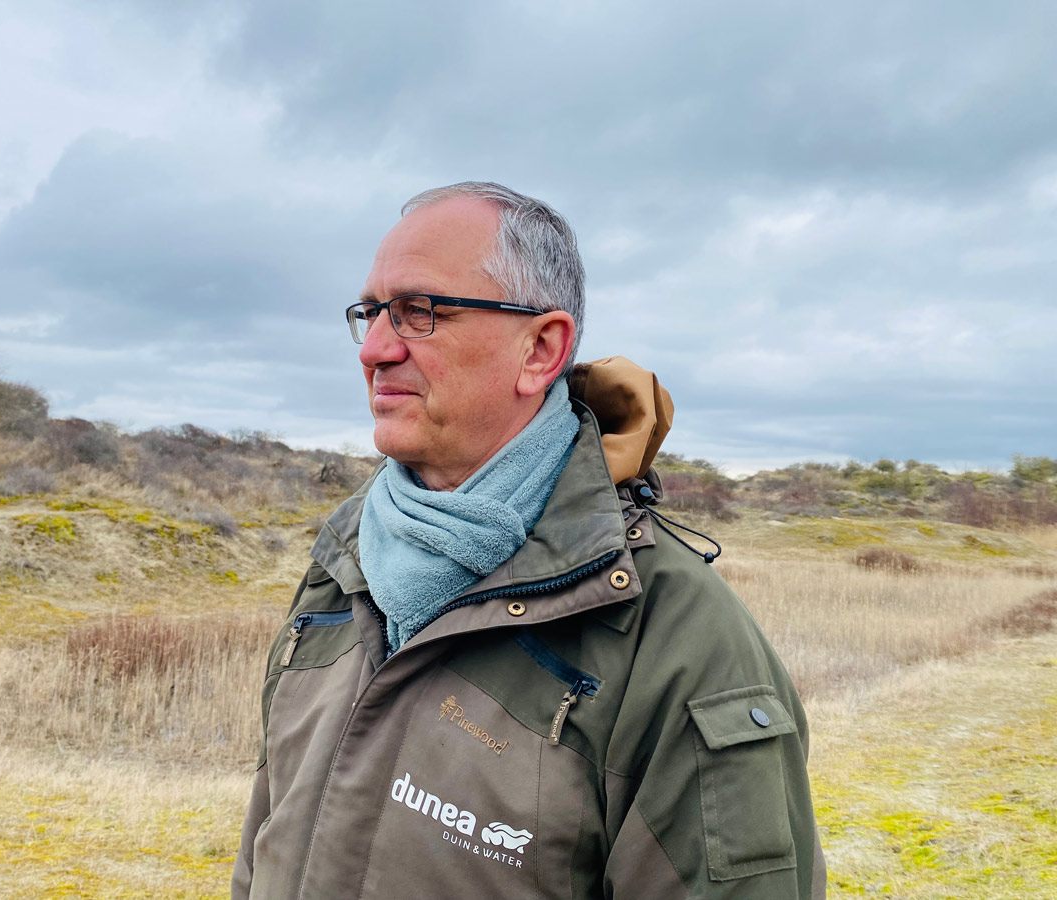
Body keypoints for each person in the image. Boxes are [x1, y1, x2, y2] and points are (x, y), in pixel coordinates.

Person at [231, 182, 826, 899]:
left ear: (541, 349)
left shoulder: (678, 641)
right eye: (371, 313)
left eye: (418, 311)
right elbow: (267, 848)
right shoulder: (344, 563)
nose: (377, 350)